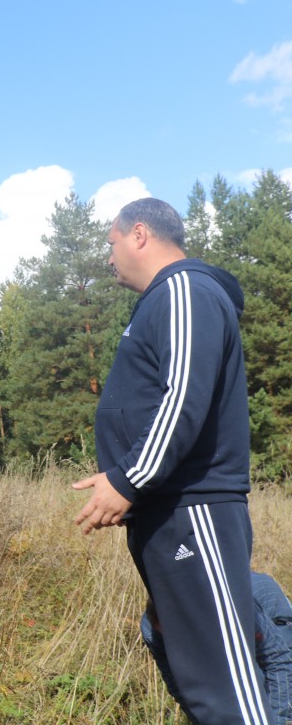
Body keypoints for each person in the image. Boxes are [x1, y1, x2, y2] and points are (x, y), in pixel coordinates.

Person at [74, 198, 270, 724]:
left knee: (225, 687)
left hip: (193, 509)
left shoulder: (185, 289)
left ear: (139, 233)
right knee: (193, 673)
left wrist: (128, 478)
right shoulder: (161, 301)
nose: (108, 258)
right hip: (167, 511)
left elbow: (184, 396)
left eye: (111, 244)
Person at [141, 572, 292, 724]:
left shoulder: (233, 605)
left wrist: (278, 720)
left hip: (266, 608)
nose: (178, 642)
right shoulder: (151, 630)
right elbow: (178, 686)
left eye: (181, 635)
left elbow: (278, 661)